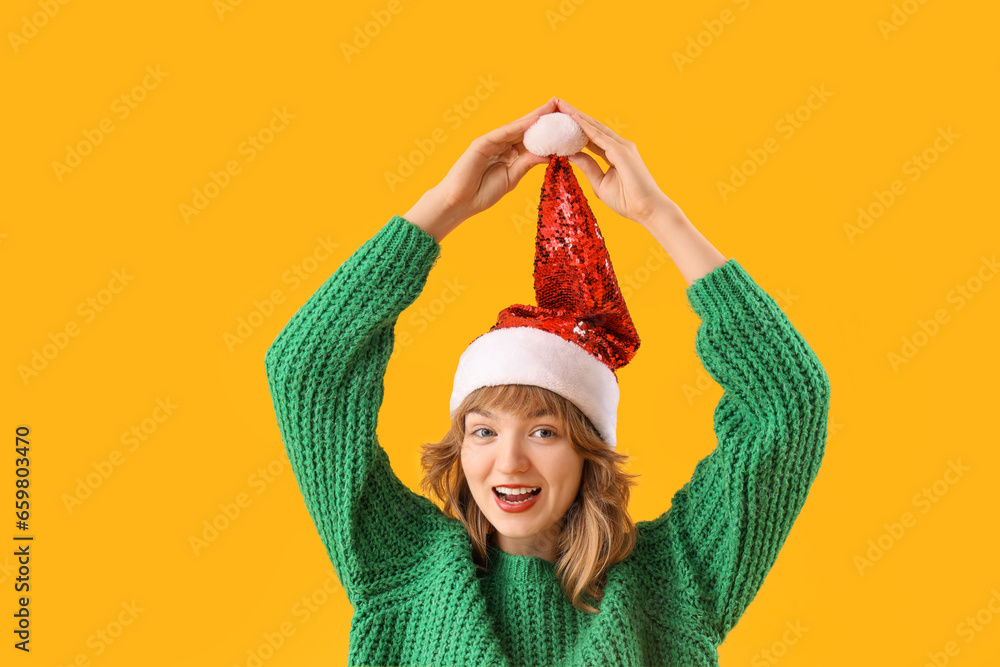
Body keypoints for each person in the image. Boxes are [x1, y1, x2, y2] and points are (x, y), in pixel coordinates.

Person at [264, 97, 831, 667]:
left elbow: (787, 400)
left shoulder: (673, 584)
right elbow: (306, 369)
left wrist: (661, 216)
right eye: (483, 433)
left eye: (543, 432)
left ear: (591, 449)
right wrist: (443, 207)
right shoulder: (401, 564)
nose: (508, 463)